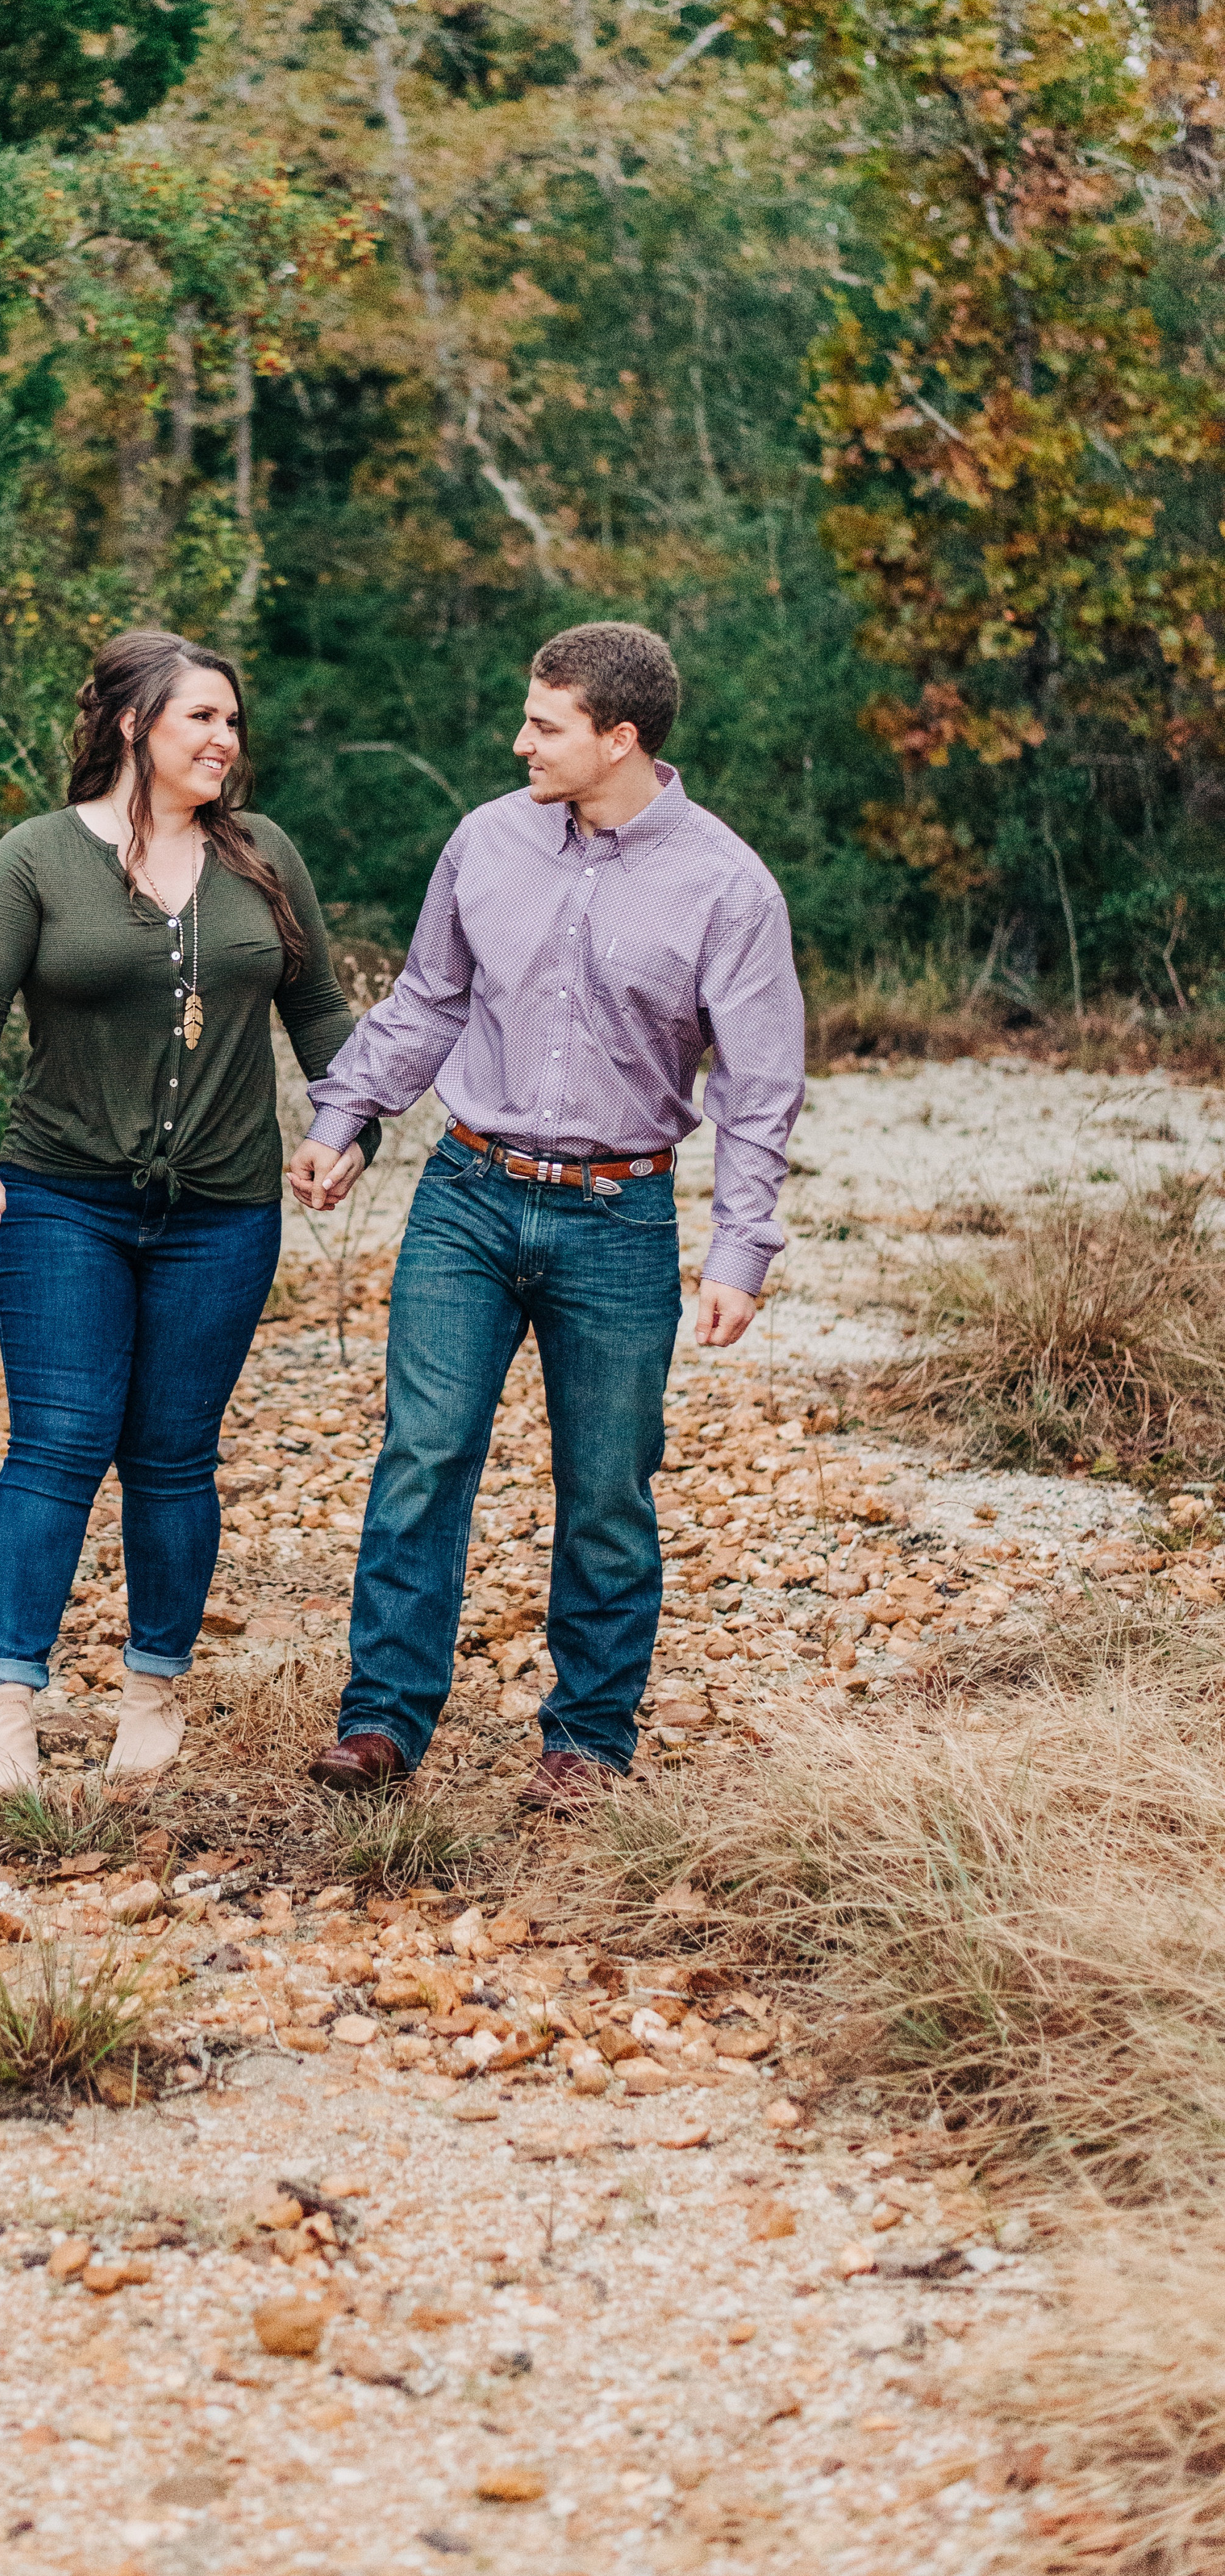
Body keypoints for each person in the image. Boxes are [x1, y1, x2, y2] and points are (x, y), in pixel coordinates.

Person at [286, 619, 805, 1813]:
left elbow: (758, 1087)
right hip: (465, 1195)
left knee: (608, 1488)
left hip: (618, 1222)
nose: (519, 740)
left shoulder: (727, 885)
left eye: (545, 723)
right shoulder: (485, 842)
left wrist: (740, 1247)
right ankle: (380, 1724)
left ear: (618, 739)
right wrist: (341, 1120)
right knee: (421, 1458)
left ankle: (585, 1744)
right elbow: (425, 1002)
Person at [0, 628, 377, 1799]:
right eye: (202, 719)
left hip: (224, 1212)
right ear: (135, 726)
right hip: (60, 1202)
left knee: (174, 1456)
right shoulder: (34, 858)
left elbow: (321, 1010)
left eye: (233, 722)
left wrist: (350, 1125)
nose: (226, 741)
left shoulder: (261, 856)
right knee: (61, 1442)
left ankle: (152, 1692)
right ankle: (9, 1709)